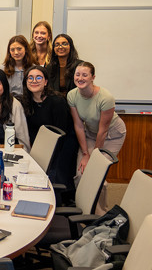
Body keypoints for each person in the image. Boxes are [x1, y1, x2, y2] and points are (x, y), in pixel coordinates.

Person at [68, 62, 126, 212]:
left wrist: (95, 157)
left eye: (84, 75)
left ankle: (100, 214)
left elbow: (103, 131)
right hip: (90, 134)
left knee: (96, 172)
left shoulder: (105, 97)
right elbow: (79, 126)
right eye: (77, 74)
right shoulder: (72, 95)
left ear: (93, 77)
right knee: (81, 173)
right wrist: (86, 154)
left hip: (112, 135)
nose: (80, 78)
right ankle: (83, 211)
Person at [22, 65, 77, 191]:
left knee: (54, 180)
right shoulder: (26, 102)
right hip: (40, 146)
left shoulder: (57, 101)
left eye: (38, 77)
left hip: (61, 146)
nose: (34, 81)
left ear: (46, 82)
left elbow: (61, 133)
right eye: (30, 78)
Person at [0, 69, 31, 151]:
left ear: (4, 85)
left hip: (12, 147)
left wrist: (25, 154)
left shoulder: (15, 105)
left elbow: (22, 135)